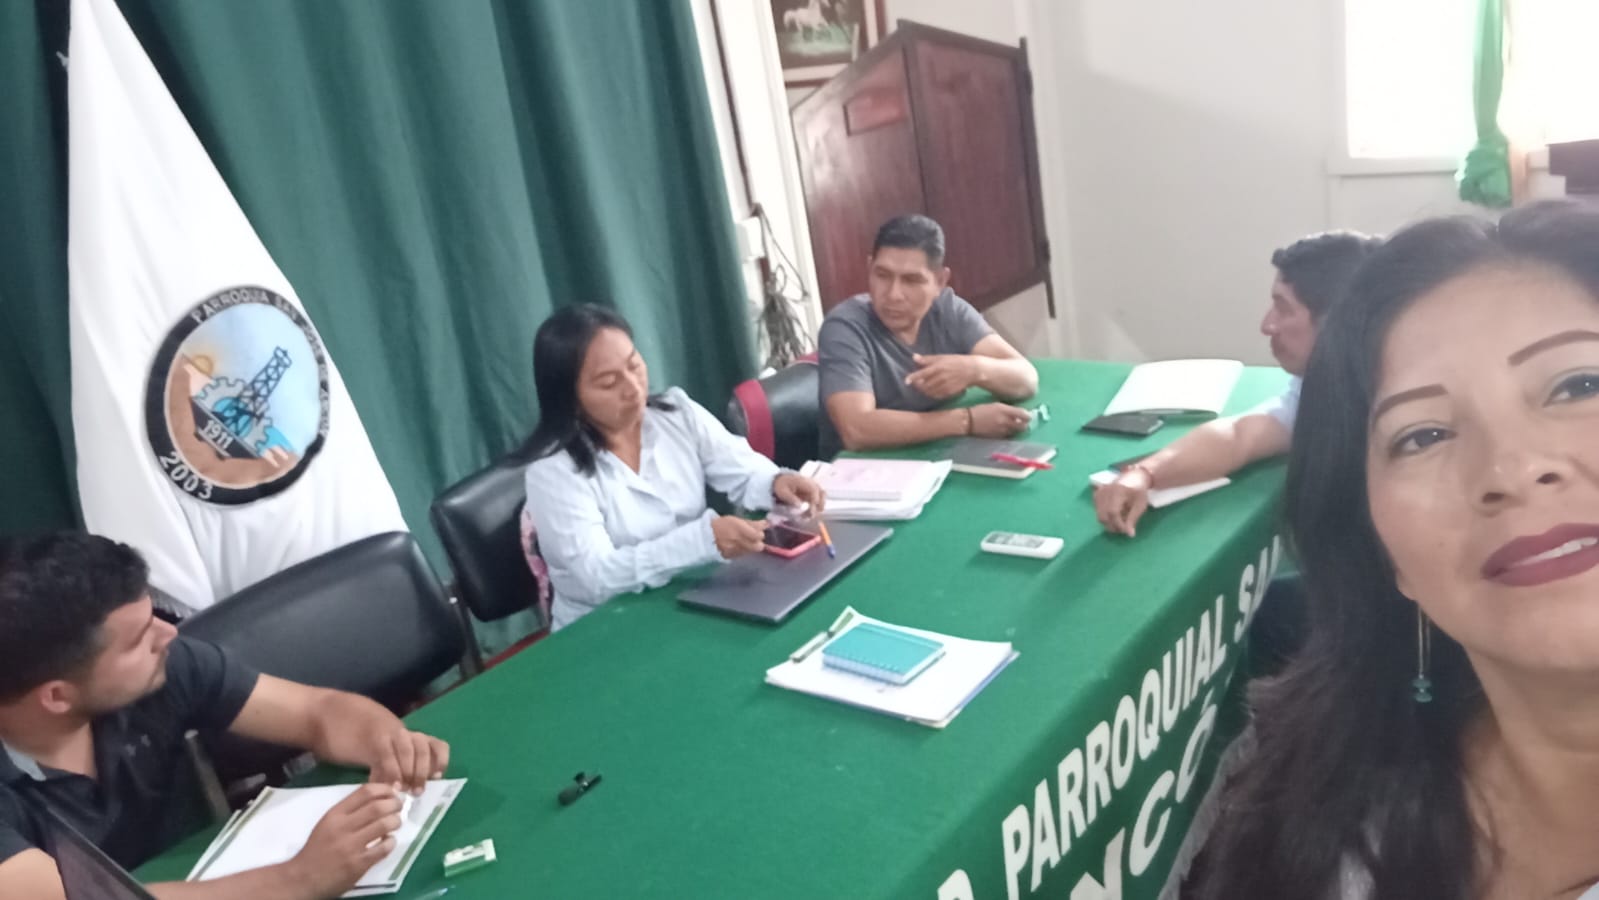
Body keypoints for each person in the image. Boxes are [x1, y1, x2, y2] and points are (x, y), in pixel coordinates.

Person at [1189, 201, 1599, 899]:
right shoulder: (1323, 812)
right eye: (1423, 435)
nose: (1510, 468)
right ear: (1386, 554)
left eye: (1578, 386)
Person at [0, 532, 451, 900]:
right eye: (137, 640)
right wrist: (299, 879)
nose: (167, 633)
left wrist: (386, 740)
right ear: (56, 696)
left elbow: (318, 712)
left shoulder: (161, 667)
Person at [523, 304, 826, 631]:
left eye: (634, 365)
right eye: (609, 382)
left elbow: (740, 468)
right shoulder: (552, 473)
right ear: (570, 397)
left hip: (692, 596)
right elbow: (597, 577)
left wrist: (775, 482)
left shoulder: (676, 413)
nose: (633, 387)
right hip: (606, 627)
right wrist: (702, 541)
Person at [1094, 230, 1381, 536]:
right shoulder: (1324, 382)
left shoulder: (1392, 396)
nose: (1267, 325)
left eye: (1284, 309)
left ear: (1336, 324)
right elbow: (1239, 436)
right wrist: (1144, 474)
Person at [817, 214, 1038, 458]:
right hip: (866, 468)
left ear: (940, 282)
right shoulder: (845, 327)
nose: (893, 294)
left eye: (911, 280)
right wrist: (966, 421)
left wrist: (973, 369)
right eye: (883, 275)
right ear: (869, 268)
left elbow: (1026, 377)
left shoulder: (948, 310)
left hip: (938, 454)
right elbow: (857, 429)